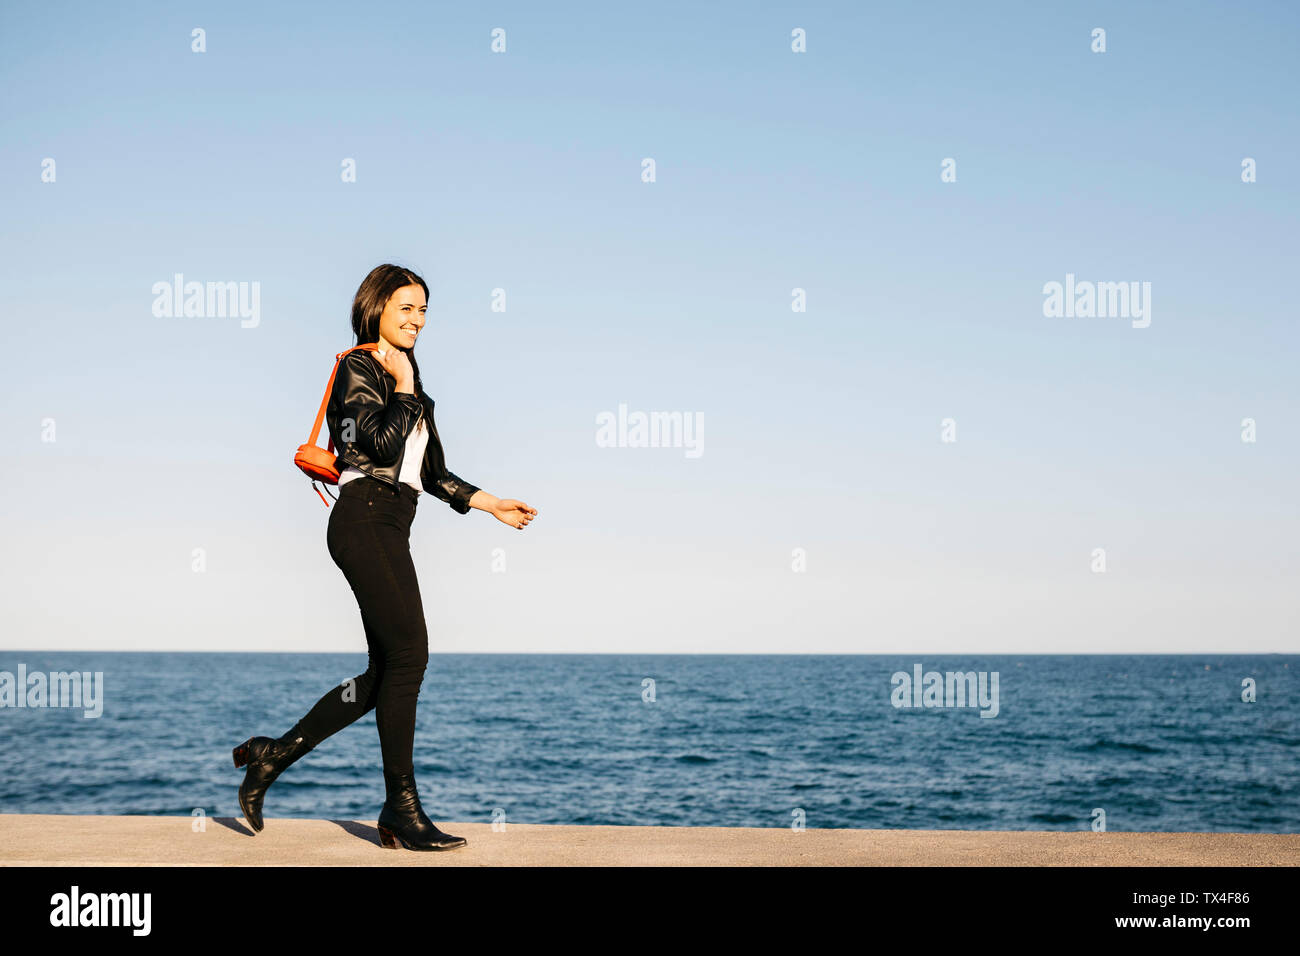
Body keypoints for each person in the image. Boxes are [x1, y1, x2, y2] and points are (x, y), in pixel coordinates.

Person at [232, 263, 537, 850]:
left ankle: (272, 756)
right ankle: (401, 808)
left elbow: (431, 472)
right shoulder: (360, 368)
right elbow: (373, 444)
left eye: (424, 310)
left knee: (388, 669)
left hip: (392, 520)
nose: (417, 319)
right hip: (363, 516)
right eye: (406, 307)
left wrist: (489, 502)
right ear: (375, 309)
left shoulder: (409, 380)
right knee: (411, 656)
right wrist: (401, 387)